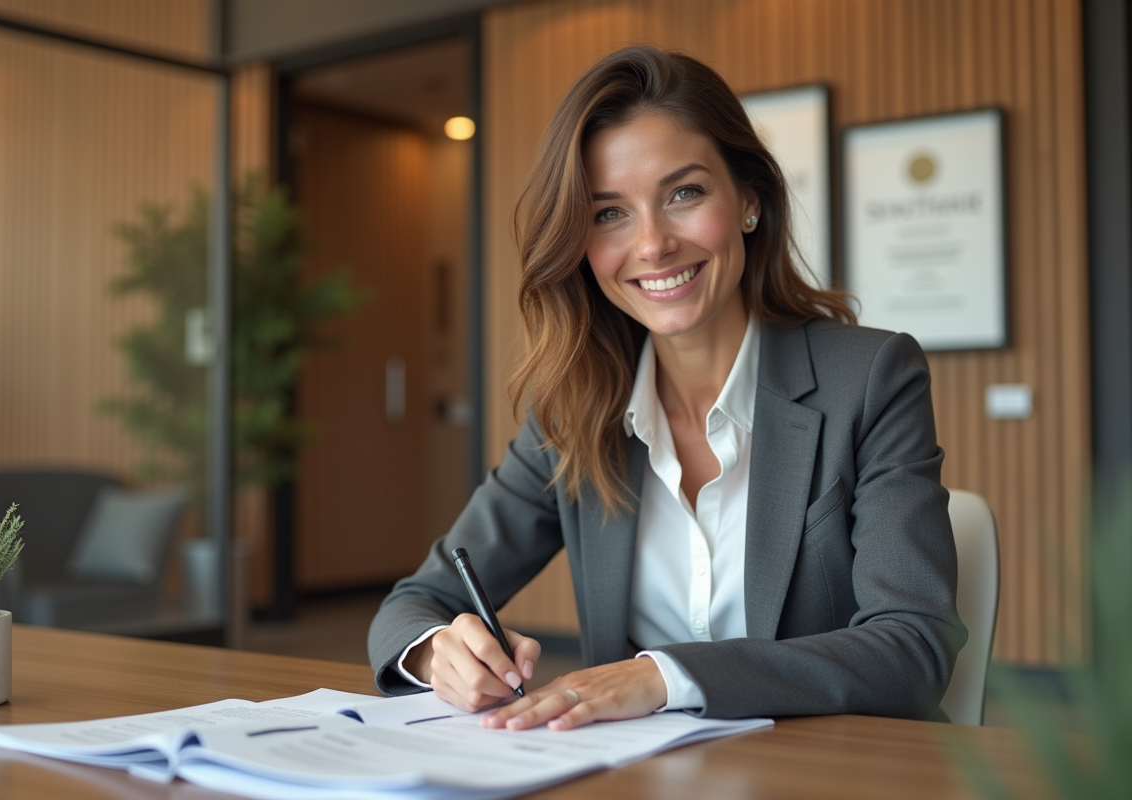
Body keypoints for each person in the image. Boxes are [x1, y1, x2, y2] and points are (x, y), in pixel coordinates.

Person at [367, 45, 966, 731]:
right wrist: (436, 651)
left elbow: (915, 646)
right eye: (609, 214)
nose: (651, 245)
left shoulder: (868, 377)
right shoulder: (572, 410)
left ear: (748, 200)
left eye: (684, 194)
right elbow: (415, 604)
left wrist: (663, 677)